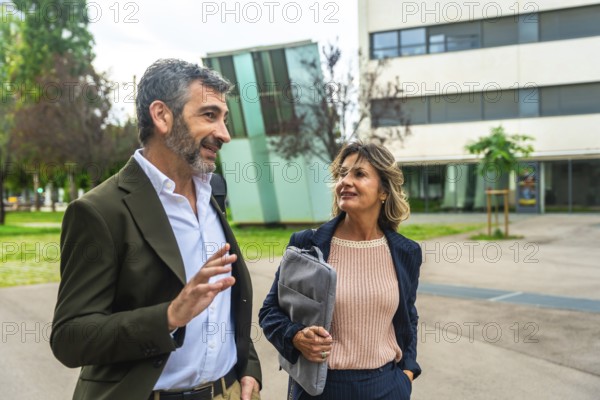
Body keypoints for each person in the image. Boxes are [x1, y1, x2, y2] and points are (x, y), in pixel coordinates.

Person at [50, 59, 261, 400]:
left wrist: (248, 366)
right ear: (162, 116)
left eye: (224, 118)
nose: (224, 134)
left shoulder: (214, 192)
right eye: (209, 115)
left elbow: (227, 302)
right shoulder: (99, 211)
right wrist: (169, 316)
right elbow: (70, 338)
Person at [259, 141, 422, 400]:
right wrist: (295, 336)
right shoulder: (307, 245)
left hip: (388, 387)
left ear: (383, 191)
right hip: (322, 389)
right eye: (342, 174)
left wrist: (407, 373)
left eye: (359, 174)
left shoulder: (406, 252)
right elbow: (269, 312)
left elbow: (408, 318)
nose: (345, 181)